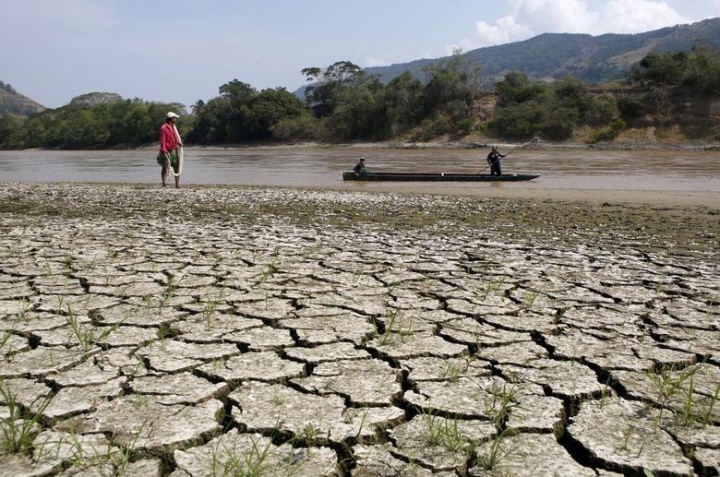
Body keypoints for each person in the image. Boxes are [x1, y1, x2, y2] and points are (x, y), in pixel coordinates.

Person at [157, 112, 183, 188]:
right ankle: (164, 183)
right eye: (175, 118)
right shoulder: (164, 128)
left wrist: (178, 142)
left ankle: (177, 184)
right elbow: (163, 140)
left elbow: (175, 137)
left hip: (174, 149)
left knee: (176, 166)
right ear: (171, 119)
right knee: (165, 167)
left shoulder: (173, 127)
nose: (176, 119)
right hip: (166, 150)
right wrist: (164, 151)